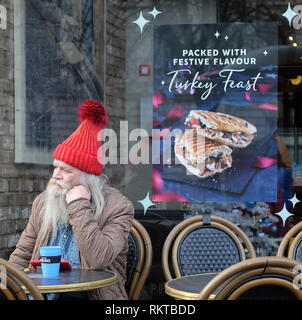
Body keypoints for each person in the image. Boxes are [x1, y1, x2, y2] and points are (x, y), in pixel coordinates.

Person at [9, 99, 134, 300]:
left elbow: (98, 258)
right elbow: (22, 254)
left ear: (87, 177)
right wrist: (8, 287)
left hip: (90, 296)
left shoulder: (119, 207)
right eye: (55, 167)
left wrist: (78, 205)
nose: (55, 175)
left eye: (65, 170)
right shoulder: (43, 202)